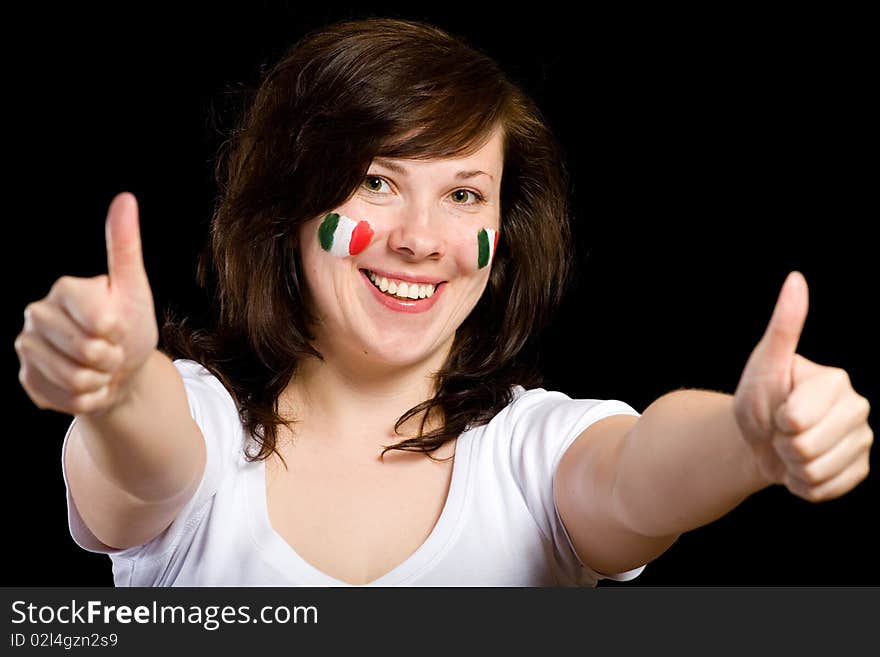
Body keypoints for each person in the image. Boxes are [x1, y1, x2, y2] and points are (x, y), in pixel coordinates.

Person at [14, 17, 872, 587]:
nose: (422, 239)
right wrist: (116, 383)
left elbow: (640, 472)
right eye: (377, 181)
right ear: (290, 206)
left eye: (465, 196)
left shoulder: (532, 457)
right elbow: (143, 452)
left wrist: (748, 440)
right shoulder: (201, 432)